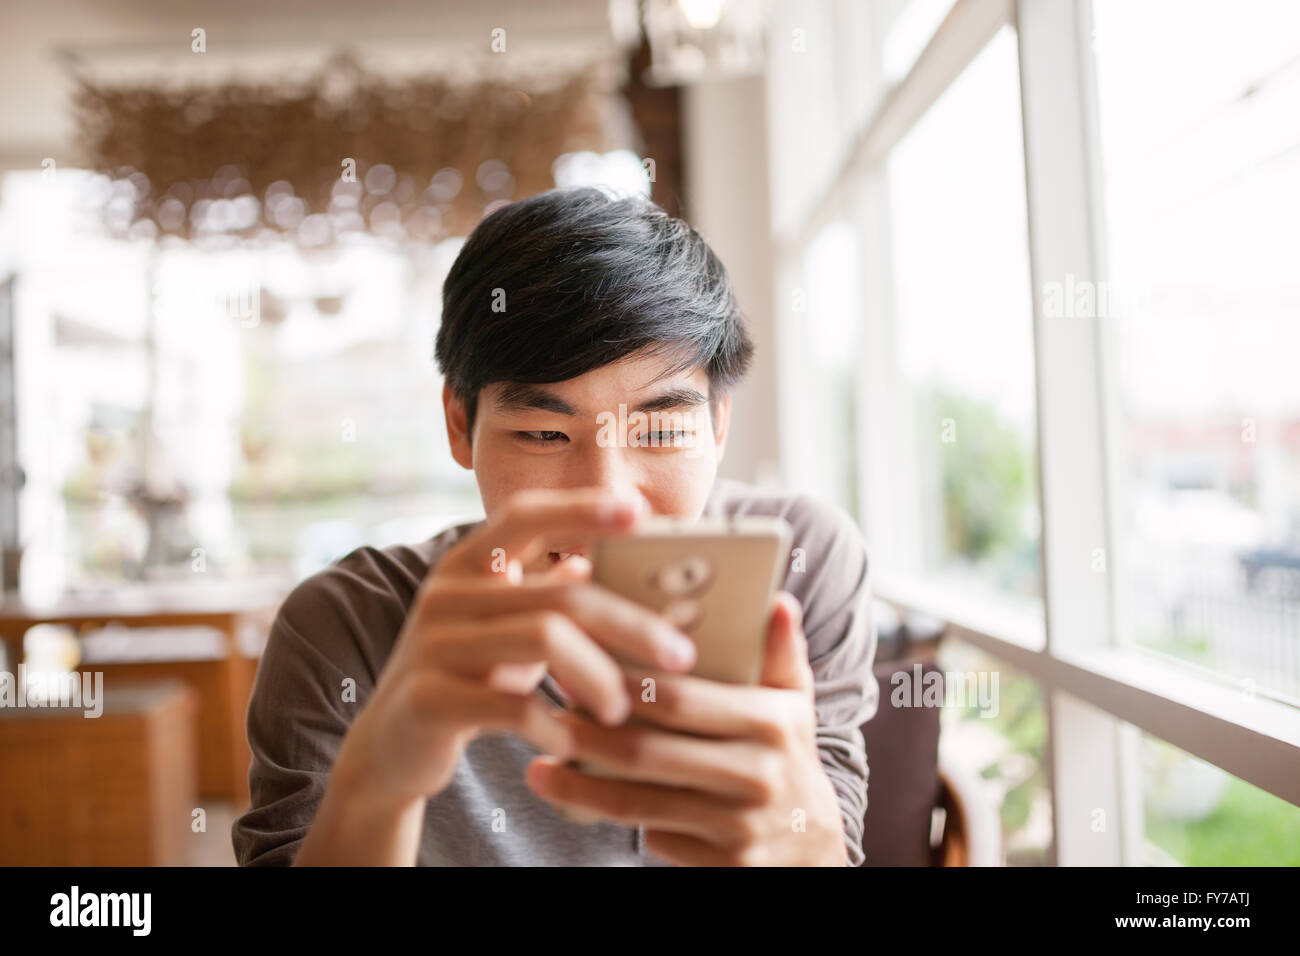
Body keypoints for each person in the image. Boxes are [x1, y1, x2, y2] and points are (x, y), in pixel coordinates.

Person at [231, 186, 878, 866]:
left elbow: (835, 843)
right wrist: (377, 785)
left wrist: (804, 842)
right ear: (461, 425)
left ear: (717, 425)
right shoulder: (347, 625)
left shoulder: (799, 565)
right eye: (544, 432)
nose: (609, 500)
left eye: (658, 429)